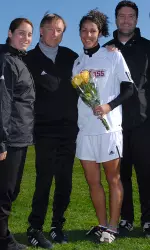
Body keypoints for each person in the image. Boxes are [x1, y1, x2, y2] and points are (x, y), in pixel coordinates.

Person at [72, 9, 133, 243]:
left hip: (109, 130)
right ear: (79, 33)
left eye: (93, 30)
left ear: (100, 32)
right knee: (92, 181)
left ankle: (113, 228)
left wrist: (108, 106)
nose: (88, 35)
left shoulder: (113, 55)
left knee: (113, 179)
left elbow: (129, 88)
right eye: (84, 30)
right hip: (85, 131)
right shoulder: (77, 62)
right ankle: (101, 224)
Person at [24, 13, 78, 249]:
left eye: (59, 30)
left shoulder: (70, 57)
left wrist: (110, 51)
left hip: (69, 131)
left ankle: (57, 225)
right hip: (44, 131)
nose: (55, 34)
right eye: (50, 29)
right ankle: (35, 228)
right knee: (44, 181)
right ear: (41, 31)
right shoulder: (29, 59)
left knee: (65, 182)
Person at [105, 1, 150, 237]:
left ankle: (148, 220)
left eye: (130, 16)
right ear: (116, 18)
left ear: (136, 20)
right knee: (121, 175)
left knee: (146, 173)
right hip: (115, 124)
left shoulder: (147, 48)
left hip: (143, 123)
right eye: (121, 16)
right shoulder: (106, 49)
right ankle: (126, 219)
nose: (126, 20)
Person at [0, 18, 35, 250]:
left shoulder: (18, 60)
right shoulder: (6, 60)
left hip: (21, 137)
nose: (26, 38)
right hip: (9, 138)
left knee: (11, 191)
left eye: (29, 34)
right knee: (4, 192)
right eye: (21, 33)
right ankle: (3, 240)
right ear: (10, 33)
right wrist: (1, 141)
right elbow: (3, 101)